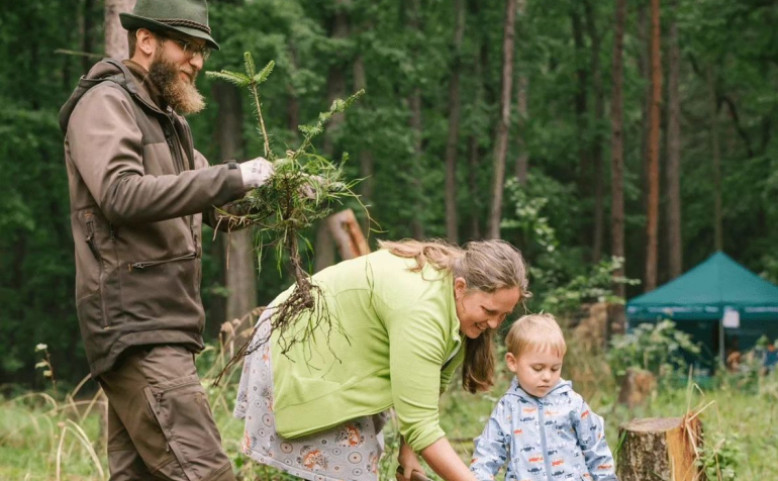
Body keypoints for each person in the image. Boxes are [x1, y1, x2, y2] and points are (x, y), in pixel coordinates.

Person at [58, 1, 273, 480]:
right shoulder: (106, 104)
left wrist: (275, 196)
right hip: (137, 326)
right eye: (187, 47)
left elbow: (214, 206)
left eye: (202, 51)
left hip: (163, 326)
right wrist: (235, 176)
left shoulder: (168, 120)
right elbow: (120, 194)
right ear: (146, 40)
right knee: (207, 472)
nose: (197, 62)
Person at [234, 239, 530, 481]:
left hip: (342, 354)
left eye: (503, 315)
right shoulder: (423, 311)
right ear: (461, 287)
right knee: (353, 470)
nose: (494, 324)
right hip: (296, 345)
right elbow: (421, 426)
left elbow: (431, 386)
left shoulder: (454, 301)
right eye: (489, 311)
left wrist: (409, 453)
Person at [470, 314, 619, 481]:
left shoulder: (572, 402)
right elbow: (488, 450)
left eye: (555, 368)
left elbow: (596, 447)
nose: (547, 376)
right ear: (513, 362)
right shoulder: (508, 408)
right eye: (538, 368)